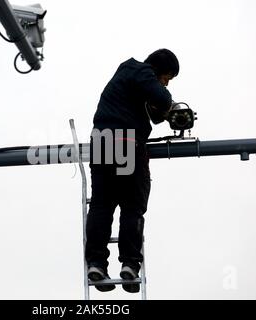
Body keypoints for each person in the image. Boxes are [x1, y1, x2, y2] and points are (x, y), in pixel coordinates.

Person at [86, 49, 179, 293]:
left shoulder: (126, 78)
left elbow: (154, 111)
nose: (165, 82)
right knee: (133, 205)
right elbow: (162, 99)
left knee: (101, 204)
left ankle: (95, 263)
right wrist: (170, 104)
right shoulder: (139, 69)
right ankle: (129, 264)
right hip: (126, 142)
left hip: (102, 141)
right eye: (167, 77)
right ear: (159, 69)